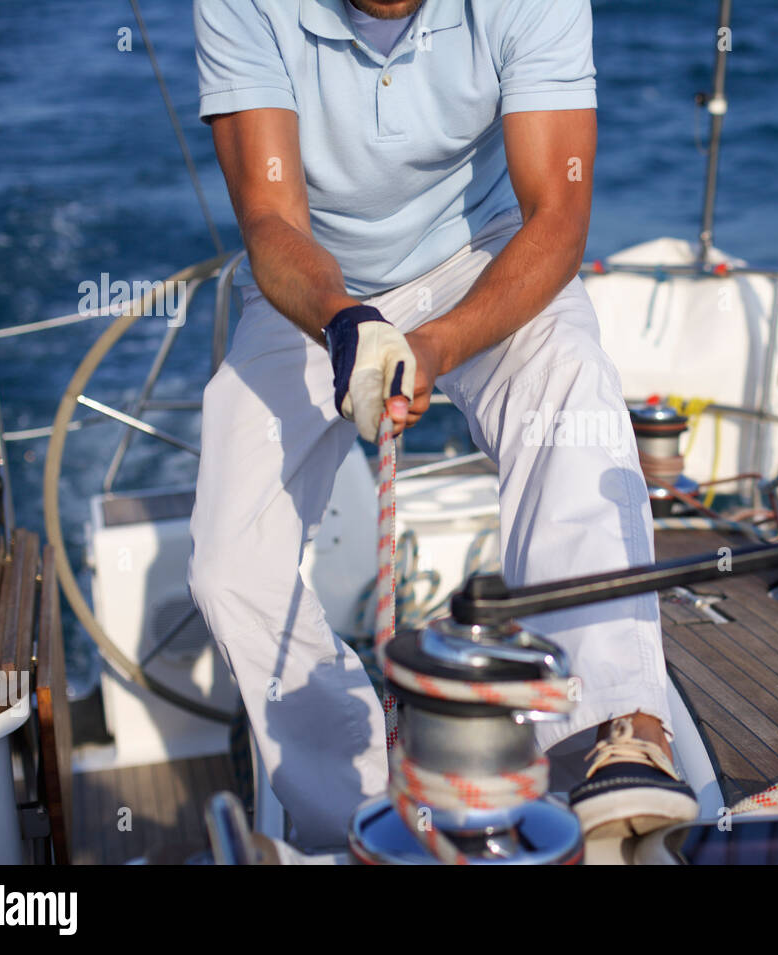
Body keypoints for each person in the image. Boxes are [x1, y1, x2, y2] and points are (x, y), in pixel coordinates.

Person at [188, 0, 697, 849]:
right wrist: (346, 320)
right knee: (226, 556)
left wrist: (436, 342)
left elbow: (559, 219)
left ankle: (616, 732)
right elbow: (272, 221)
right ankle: (351, 803)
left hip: (484, 252)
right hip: (316, 285)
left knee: (571, 389)